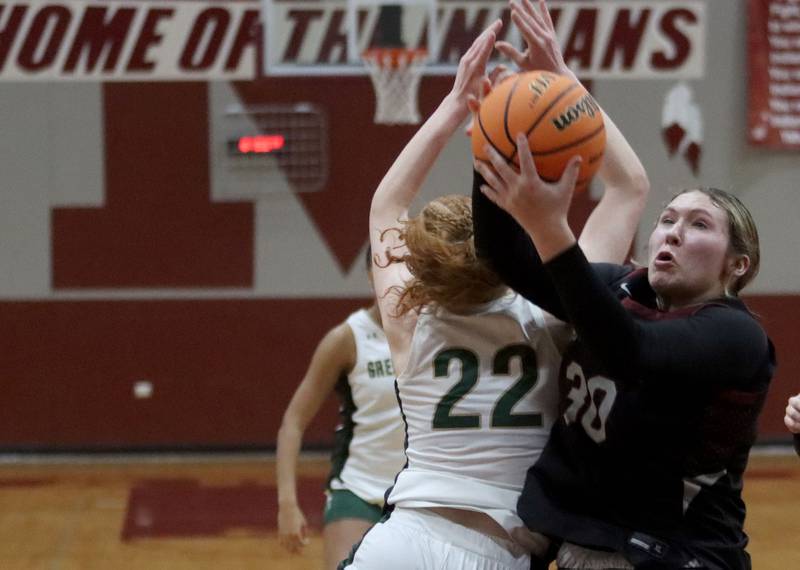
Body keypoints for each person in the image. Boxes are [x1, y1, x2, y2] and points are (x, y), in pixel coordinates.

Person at [341, 7, 648, 569]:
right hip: (499, 550)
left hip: (402, 540)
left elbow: (386, 205)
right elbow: (629, 188)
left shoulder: (414, 321)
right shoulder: (555, 312)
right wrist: (562, 82)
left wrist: (458, 102)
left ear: (424, 263)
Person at [473, 5, 776, 568]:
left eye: (699, 225)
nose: (673, 233)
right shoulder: (623, 288)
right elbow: (505, 257)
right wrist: (492, 145)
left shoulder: (734, 337)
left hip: (677, 552)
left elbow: (629, 351)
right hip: (591, 537)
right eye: (667, 218)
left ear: (738, 265)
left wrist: (550, 228)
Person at [276, 247, 405, 570]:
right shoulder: (347, 339)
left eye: (405, 268)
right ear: (369, 276)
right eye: (385, 269)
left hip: (418, 493)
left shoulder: (435, 332)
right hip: (358, 492)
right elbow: (293, 422)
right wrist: (287, 504)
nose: (396, 279)